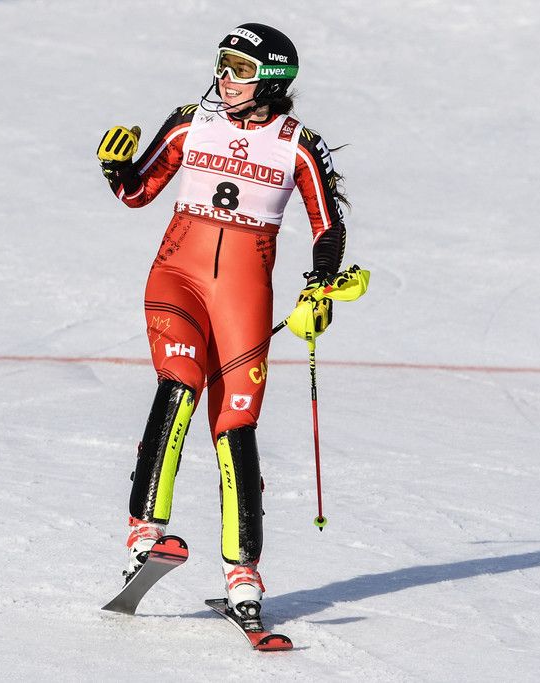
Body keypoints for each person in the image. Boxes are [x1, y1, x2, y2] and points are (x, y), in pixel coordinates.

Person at [96, 23, 349, 624]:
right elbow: (137, 193)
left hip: (243, 294)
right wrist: (115, 167)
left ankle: (243, 575)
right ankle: (143, 534)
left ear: (272, 79)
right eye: (222, 64)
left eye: (239, 69)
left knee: (236, 422)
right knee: (180, 382)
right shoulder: (191, 122)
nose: (225, 78)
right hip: (177, 277)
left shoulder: (298, 144)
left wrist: (321, 287)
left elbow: (328, 226)